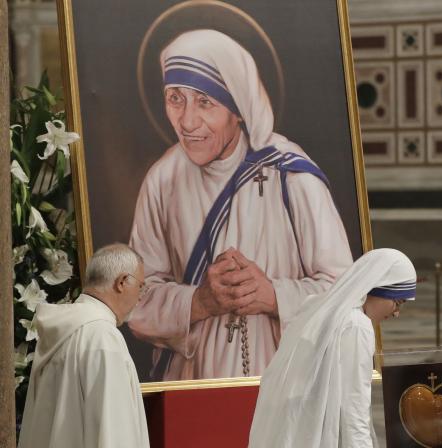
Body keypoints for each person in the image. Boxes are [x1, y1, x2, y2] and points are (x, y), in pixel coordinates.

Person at [128, 29, 353, 381]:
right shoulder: (163, 180)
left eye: (205, 102)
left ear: (238, 109)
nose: (187, 122)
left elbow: (347, 293)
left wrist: (274, 295)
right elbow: (135, 300)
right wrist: (199, 302)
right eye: (175, 98)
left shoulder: (290, 175)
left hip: (282, 385)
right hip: (192, 390)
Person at [248, 248, 416, 448]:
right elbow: (354, 409)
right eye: (398, 302)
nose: (397, 313)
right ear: (379, 289)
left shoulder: (317, 306)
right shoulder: (356, 325)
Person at [18, 244, 150, 448]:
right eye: (141, 286)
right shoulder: (102, 338)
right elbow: (114, 435)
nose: (141, 296)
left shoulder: (63, 331)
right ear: (122, 282)